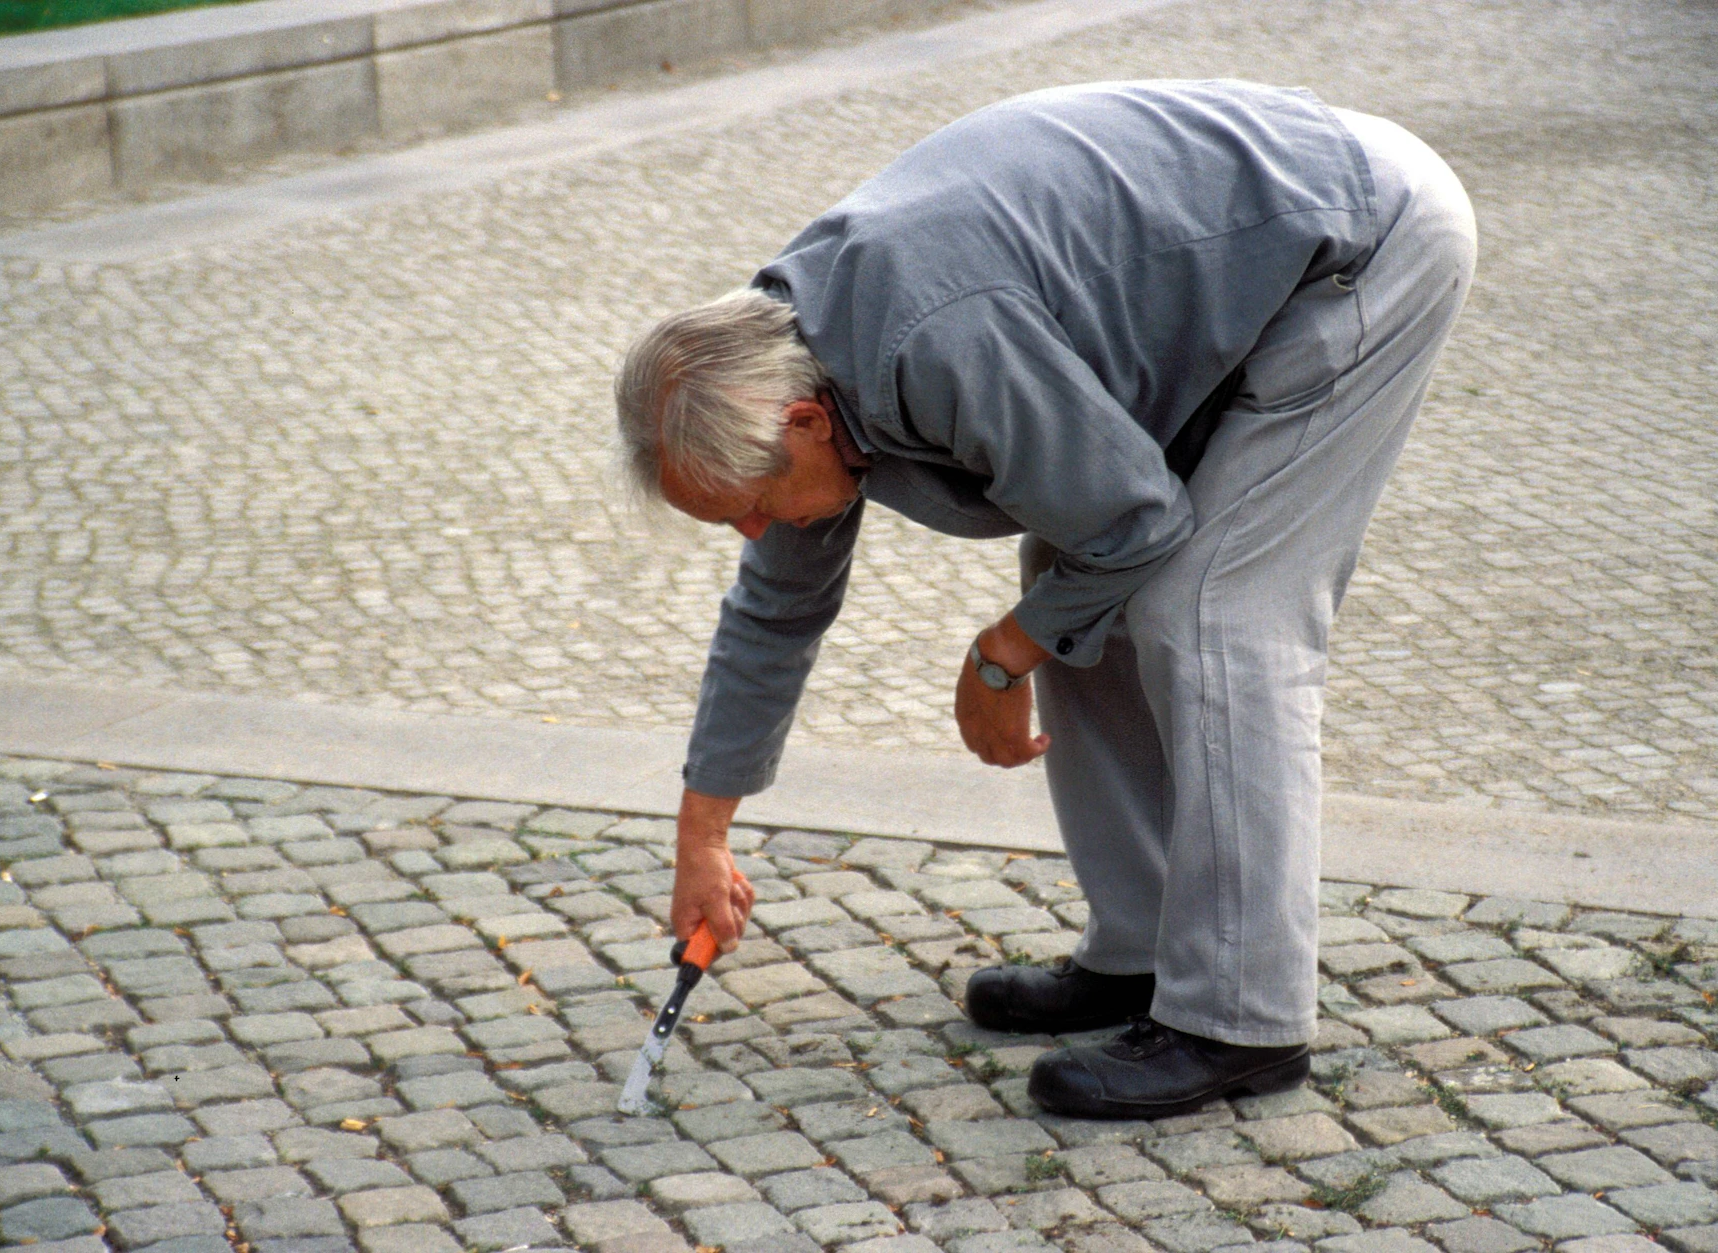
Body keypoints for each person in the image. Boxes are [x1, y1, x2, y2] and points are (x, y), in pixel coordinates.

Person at [613, 78, 1475, 1119]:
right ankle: (1145, 949)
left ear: (798, 424)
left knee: (1211, 611)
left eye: (749, 508)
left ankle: (1240, 1018)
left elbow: (1134, 521)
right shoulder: (782, 367)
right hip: (1262, 247)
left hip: (1357, 244)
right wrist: (701, 834)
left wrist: (997, 658)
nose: (757, 535)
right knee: (1073, 586)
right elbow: (774, 613)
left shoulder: (927, 335)